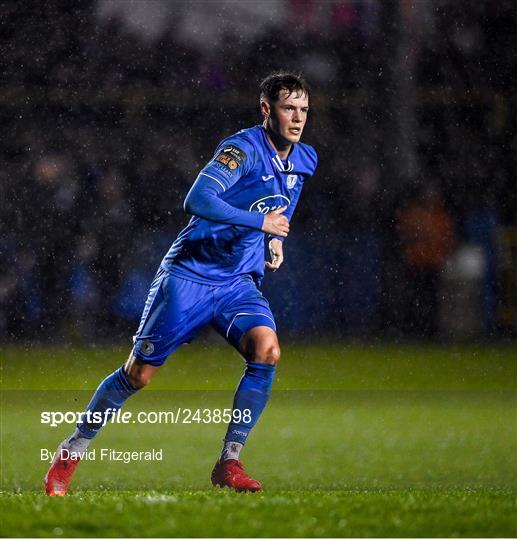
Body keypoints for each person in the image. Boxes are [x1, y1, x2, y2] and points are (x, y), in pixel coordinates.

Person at [44, 72, 318, 495]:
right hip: (189, 276)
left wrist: (274, 237)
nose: (297, 118)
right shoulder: (241, 150)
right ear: (267, 110)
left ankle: (230, 461)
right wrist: (258, 221)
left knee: (267, 349)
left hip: (236, 283)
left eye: (303, 109)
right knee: (138, 376)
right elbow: (198, 200)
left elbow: (285, 201)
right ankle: (72, 449)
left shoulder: (305, 158)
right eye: (288, 108)